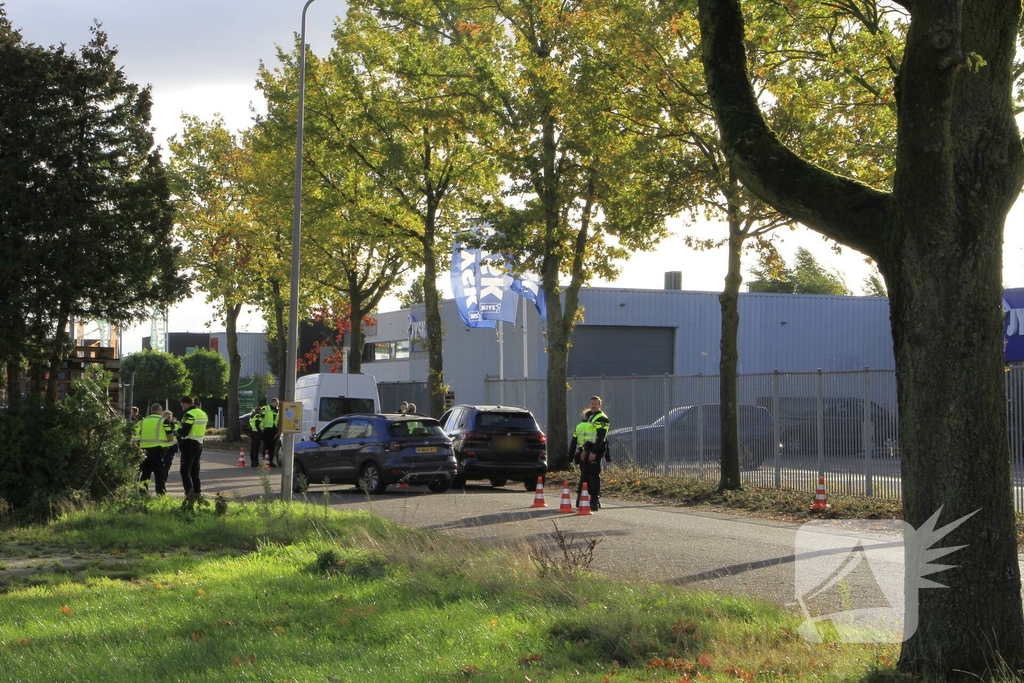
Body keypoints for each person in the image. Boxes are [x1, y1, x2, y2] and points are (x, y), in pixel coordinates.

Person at [568, 395, 611, 511]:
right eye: (591, 404)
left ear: (600, 405)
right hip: (588, 450)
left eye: (595, 404)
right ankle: (584, 500)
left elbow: (601, 438)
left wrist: (593, 452)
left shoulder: (602, 418)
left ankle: (594, 501)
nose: (593, 406)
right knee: (586, 475)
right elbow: (589, 438)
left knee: (594, 477)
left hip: (595, 451)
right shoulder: (592, 417)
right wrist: (585, 451)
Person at [135, 403, 170, 494]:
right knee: (159, 474)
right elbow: (170, 438)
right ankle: (160, 493)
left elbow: (135, 435)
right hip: (157, 451)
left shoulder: (142, 421)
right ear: (161, 411)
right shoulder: (164, 421)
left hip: (143, 450)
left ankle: (142, 493)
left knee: (145, 473)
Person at [177, 396, 209, 496]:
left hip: (189, 444)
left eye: (183, 405)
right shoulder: (203, 413)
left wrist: (176, 432)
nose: (182, 407)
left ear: (186, 403)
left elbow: (184, 431)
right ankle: (197, 491)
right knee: (195, 471)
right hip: (199, 443)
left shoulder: (189, 414)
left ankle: (189, 493)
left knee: (184, 471)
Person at [261, 398, 280, 467]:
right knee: (266, 446)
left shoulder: (277, 410)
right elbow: (261, 418)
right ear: (273, 402)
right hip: (266, 430)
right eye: (277, 403)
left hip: (273, 430)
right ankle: (265, 460)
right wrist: (262, 428)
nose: (277, 405)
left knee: (272, 447)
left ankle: (270, 461)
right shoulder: (265, 408)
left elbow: (277, 421)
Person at [162, 409, 178, 485]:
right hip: (163, 447)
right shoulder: (161, 425)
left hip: (172, 448)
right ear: (163, 416)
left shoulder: (176, 425)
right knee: (162, 464)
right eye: (167, 415)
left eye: (170, 415)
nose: (169, 416)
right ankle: (162, 478)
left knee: (168, 463)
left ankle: (164, 478)